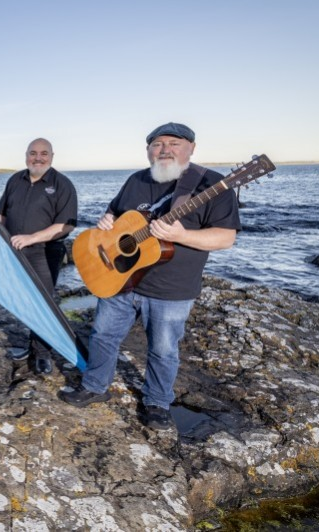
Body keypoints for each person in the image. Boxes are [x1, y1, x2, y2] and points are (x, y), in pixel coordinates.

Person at [59, 122, 241, 430]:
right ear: (148, 150)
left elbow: (225, 238)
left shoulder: (211, 185)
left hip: (171, 289)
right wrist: (107, 221)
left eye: (175, 144)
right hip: (119, 279)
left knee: (163, 349)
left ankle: (157, 403)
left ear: (191, 148)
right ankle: (94, 386)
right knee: (103, 336)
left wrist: (181, 235)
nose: (165, 150)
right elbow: (115, 216)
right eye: (158, 144)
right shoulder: (136, 180)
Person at [0, 138, 78, 375]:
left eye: (43, 153)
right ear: (26, 155)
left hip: (45, 253)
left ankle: (42, 354)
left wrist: (31, 238)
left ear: (52, 156)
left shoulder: (62, 184)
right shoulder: (15, 179)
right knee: (23, 301)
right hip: (14, 252)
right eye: (33, 153)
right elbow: (1, 215)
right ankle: (28, 346)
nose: (38, 158)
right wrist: (0, 239)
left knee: (44, 303)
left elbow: (66, 225)